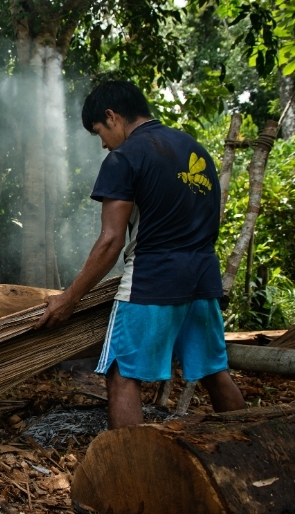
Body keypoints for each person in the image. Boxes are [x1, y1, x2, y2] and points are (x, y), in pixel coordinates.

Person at [35, 80, 245, 429]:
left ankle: (130, 476)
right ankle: (251, 454)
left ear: (112, 116)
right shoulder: (195, 151)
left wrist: (69, 299)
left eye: (99, 132)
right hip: (203, 279)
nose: (103, 143)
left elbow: (111, 240)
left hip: (152, 280)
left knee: (122, 375)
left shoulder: (125, 157)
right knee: (214, 373)